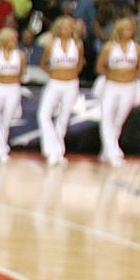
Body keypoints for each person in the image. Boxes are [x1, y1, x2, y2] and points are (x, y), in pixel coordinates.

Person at [97, 17, 140, 167]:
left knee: (118, 121)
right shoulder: (109, 47)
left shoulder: (138, 48)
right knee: (106, 118)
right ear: (118, 30)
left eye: (130, 28)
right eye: (124, 28)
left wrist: (129, 75)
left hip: (129, 87)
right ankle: (114, 154)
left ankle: (106, 151)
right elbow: (100, 66)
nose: (127, 31)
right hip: (111, 86)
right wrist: (113, 74)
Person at [37, 16, 84, 167]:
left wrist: (73, 73)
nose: (66, 30)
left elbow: (81, 62)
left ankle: (58, 153)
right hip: (55, 83)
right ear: (58, 29)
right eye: (63, 27)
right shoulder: (51, 44)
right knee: (44, 114)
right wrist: (53, 73)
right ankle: (51, 149)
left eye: (69, 27)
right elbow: (42, 64)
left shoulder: (78, 44)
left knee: (63, 118)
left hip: (71, 84)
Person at [0, 28, 26, 163]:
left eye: (15, 39)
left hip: (13, 88)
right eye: (11, 39)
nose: (14, 42)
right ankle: (0, 148)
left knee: (7, 119)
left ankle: (0, 148)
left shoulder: (20, 55)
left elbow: (21, 74)